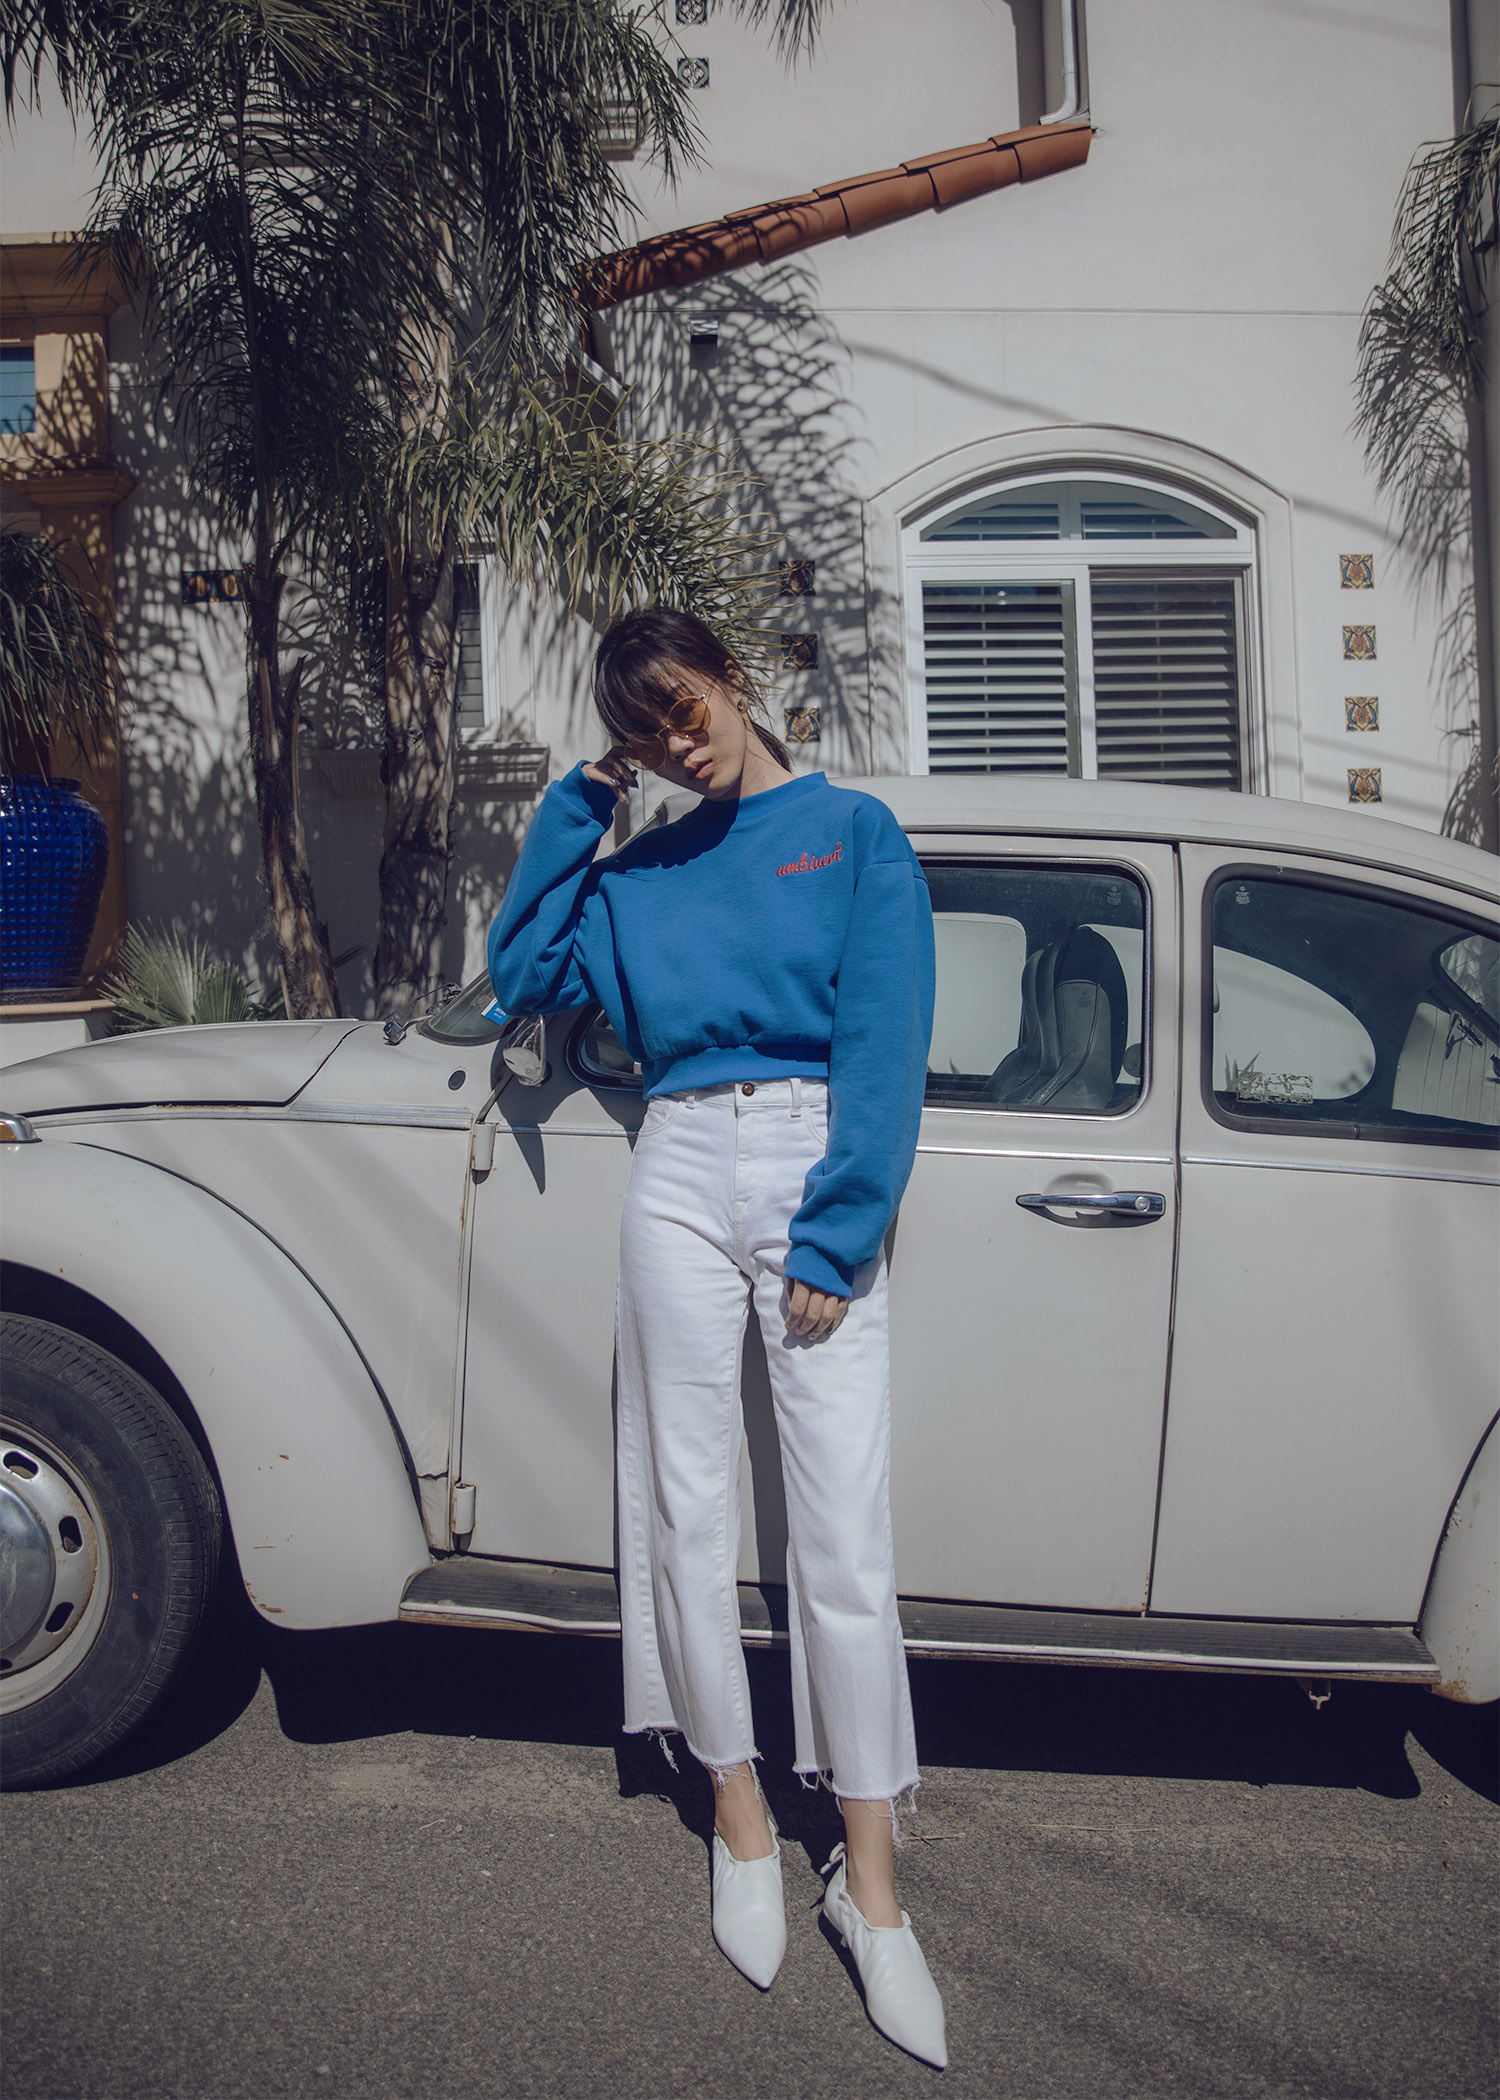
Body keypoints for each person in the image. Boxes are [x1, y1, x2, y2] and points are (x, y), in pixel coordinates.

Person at [487, 608, 943, 2067]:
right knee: (685, 1504)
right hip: (677, 1163)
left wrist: (840, 1226)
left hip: (815, 1164)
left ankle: (870, 1888)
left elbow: (886, 1033)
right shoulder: (640, 868)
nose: (676, 740)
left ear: (735, 683)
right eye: (643, 730)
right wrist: (584, 802)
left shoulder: (854, 833)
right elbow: (525, 970)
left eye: (682, 709)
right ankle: (741, 1817)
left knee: (843, 1541)